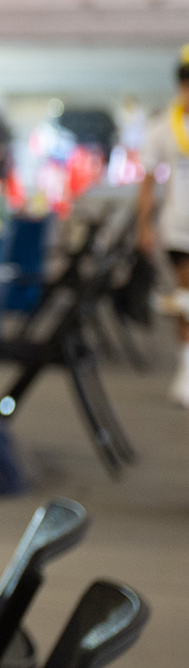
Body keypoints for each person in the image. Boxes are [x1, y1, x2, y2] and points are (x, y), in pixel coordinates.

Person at [136, 49, 189, 407]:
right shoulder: (163, 129)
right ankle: (187, 367)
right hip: (179, 227)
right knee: (186, 299)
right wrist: (144, 225)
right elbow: (148, 181)